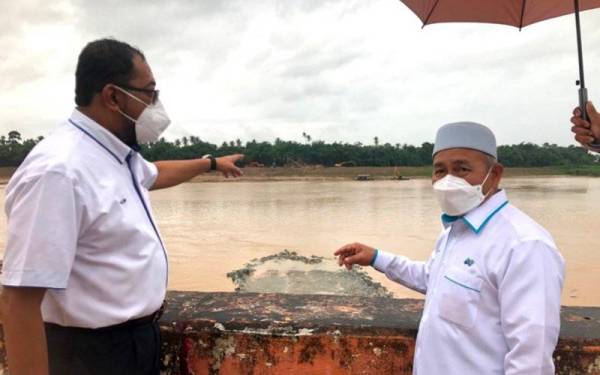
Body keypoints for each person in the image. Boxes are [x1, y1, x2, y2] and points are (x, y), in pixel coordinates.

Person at [0, 38, 243, 375]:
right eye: (149, 93)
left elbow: (156, 173)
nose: (156, 106)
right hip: (90, 354)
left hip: (136, 343)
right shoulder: (59, 171)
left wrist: (212, 163)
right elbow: (18, 300)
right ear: (113, 96)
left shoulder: (115, 156)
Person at [334, 122, 565, 375]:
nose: (447, 180)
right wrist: (377, 257)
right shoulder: (455, 229)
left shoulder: (525, 245)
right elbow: (435, 280)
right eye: (440, 171)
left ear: (495, 174)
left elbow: (532, 359)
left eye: (462, 169)